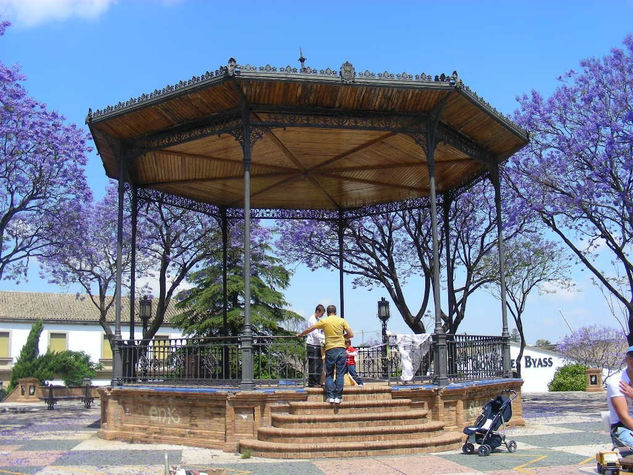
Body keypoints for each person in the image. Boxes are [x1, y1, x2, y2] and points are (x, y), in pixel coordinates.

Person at [296, 304, 353, 404]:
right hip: (341, 349)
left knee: (329, 374)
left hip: (330, 349)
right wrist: (342, 337)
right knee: (340, 374)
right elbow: (351, 335)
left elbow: (310, 329)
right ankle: (338, 397)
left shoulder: (324, 321)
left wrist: (301, 334)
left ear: (327, 313)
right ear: (336, 312)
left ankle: (330, 396)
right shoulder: (342, 320)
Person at [607, 345, 633, 449]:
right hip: (622, 427)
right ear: (626, 359)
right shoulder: (616, 382)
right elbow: (623, 416)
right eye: (631, 357)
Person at [305, 304, 325, 387]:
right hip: (312, 344)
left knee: (319, 364)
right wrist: (325, 338)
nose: (322, 315)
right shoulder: (312, 320)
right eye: (322, 313)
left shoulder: (317, 319)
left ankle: (317, 381)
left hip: (317, 344)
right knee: (313, 364)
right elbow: (315, 334)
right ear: (317, 311)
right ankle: (312, 383)